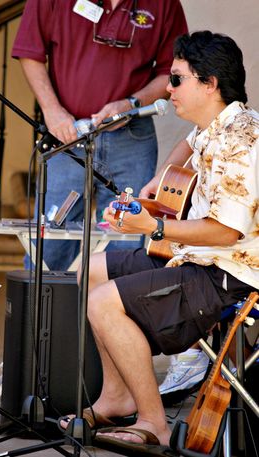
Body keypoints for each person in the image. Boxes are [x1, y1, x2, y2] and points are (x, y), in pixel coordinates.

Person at [59, 31, 258, 447]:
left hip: (229, 274)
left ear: (210, 84)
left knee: (103, 301)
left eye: (177, 79)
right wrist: (156, 183)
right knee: (90, 271)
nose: (168, 89)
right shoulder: (212, 125)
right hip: (195, 256)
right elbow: (185, 147)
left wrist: (155, 228)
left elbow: (227, 231)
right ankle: (116, 397)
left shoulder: (242, 137)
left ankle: (154, 424)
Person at [12, 0, 188, 271]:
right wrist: (51, 110)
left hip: (132, 136)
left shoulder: (165, 4)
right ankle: (45, 313)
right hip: (68, 135)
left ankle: (104, 313)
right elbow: (30, 52)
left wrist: (132, 103)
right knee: (50, 244)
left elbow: (171, 71)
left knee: (126, 243)